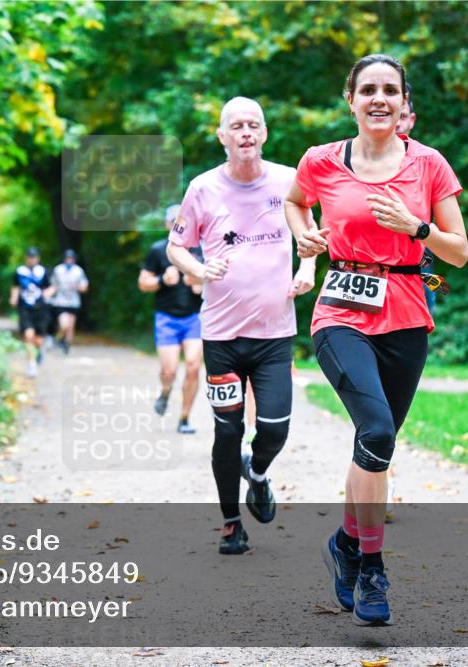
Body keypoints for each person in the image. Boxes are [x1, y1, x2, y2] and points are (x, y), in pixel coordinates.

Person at [285, 54, 468, 625]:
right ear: (351, 99)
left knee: (375, 447)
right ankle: (370, 565)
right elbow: (294, 201)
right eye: (368, 89)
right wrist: (305, 237)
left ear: (402, 100)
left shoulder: (429, 164)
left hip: (407, 314)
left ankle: (343, 543)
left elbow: (458, 252)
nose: (379, 99)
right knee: (378, 429)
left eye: (390, 89)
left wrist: (416, 228)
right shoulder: (321, 161)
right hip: (341, 311)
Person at [166, 96, 317, 556]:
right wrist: (197, 269)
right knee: (227, 431)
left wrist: (307, 268)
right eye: (237, 125)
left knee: (274, 427)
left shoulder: (289, 180)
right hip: (221, 336)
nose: (246, 131)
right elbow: (177, 247)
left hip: (274, 333)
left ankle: (259, 472)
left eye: (254, 124)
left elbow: (308, 233)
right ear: (222, 136)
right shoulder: (203, 188)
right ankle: (232, 523)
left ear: (264, 133)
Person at [138, 205, 204, 436]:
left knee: (194, 367)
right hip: (166, 318)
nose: (178, 225)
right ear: (168, 225)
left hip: (195, 318)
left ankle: (184, 418)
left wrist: (198, 283)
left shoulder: (200, 250)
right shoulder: (158, 251)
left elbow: (215, 282)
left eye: (182, 221)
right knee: (169, 370)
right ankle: (166, 393)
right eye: (173, 221)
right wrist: (161, 280)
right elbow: (143, 283)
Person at [394, 82, 438, 316]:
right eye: (394, 115)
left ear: (412, 120)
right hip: (370, 262)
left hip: (421, 262)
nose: (397, 121)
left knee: (426, 310)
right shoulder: (358, 158)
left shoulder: (429, 161)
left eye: (402, 116)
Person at [10, 247, 55, 378]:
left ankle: (38, 351)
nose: (32, 259)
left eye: (34, 257)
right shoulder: (20, 272)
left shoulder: (43, 271)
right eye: (30, 257)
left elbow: (52, 286)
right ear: (26, 258)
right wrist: (13, 297)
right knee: (28, 335)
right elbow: (15, 286)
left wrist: (48, 293)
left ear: (38, 258)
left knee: (38, 340)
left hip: (41, 307)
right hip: (24, 307)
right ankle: (31, 363)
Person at [49, 249, 89, 354]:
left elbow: (84, 285)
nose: (69, 260)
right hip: (61, 302)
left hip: (74, 302)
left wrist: (81, 287)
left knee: (71, 327)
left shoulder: (78, 271)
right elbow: (53, 285)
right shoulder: (58, 270)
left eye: (71, 258)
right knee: (64, 324)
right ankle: (59, 338)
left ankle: (66, 345)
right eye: (67, 258)